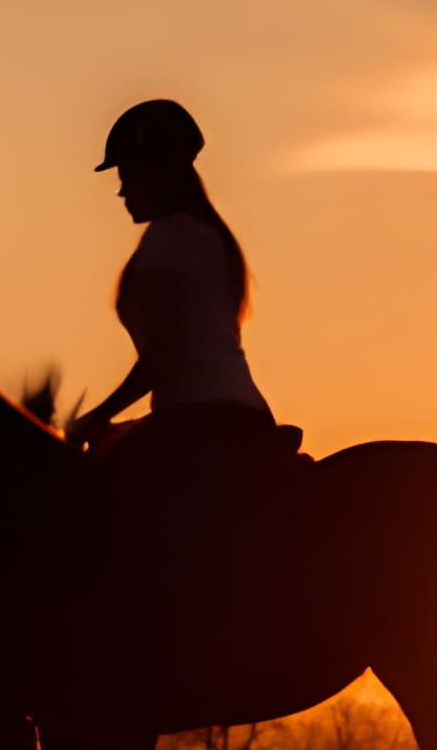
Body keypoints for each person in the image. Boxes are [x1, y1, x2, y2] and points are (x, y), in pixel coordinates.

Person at [66, 100, 282, 510]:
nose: (121, 189)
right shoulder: (203, 236)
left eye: (127, 174)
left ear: (156, 172)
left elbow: (166, 357)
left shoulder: (172, 240)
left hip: (201, 421)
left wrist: (95, 418)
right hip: (215, 415)